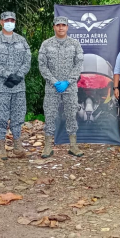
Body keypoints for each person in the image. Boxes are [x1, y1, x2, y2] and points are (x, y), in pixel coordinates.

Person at [38, 16, 85, 157]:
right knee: (50, 115)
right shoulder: (46, 44)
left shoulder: (75, 44)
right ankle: (47, 146)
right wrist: (54, 81)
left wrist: (68, 81)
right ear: (54, 27)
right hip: (52, 88)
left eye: (63, 25)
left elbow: (79, 64)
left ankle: (73, 146)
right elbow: (42, 65)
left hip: (70, 88)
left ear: (67, 27)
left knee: (71, 115)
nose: (60, 27)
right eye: (58, 25)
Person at [0, 11, 31, 159]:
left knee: (18, 115)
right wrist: (8, 75)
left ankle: (17, 146)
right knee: (1, 116)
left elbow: (27, 60)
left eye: (12, 20)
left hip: (19, 86)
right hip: (2, 86)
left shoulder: (21, 40)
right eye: (7, 20)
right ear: (1, 22)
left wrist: (19, 75)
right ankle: (1, 148)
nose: (9, 22)